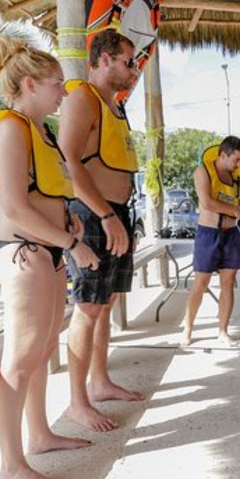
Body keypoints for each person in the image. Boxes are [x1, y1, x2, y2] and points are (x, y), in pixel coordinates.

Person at [0, 36, 100, 479]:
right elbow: (14, 207)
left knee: (42, 349)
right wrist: (73, 243)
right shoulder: (11, 127)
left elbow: (43, 190)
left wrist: (66, 218)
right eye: (57, 84)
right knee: (20, 358)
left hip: (46, 249)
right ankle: (11, 466)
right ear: (29, 84)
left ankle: (39, 434)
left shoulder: (41, 131)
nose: (64, 93)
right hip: (21, 252)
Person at [58, 29, 143, 432]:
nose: (135, 69)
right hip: (94, 216)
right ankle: (77, 402)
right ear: (104, 59)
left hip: (117, 215)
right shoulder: (82, 99)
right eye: (130, 61)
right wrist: (105, 216)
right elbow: (69, 164)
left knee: (105, 304)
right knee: (87, 308)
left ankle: (100, 381)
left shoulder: (115, 107)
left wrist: (119, 216)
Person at [181, 137, 240, 347]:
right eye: (236, 160)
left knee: (228, 284)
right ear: (223, 155)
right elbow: (208, 203)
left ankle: (223, 331)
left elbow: (232, 199)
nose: (238, 164)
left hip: (231, 233)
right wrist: (235, 211)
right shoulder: (202, 172)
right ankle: (188, 329)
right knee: (201, 284)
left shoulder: (235, 174)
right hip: (208, 233)